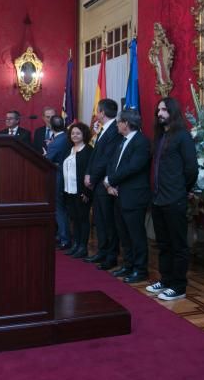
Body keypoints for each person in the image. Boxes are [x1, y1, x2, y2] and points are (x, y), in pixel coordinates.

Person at [144, 97, 198, 300]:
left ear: (173, 112)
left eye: (164, 110)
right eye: (158, 110)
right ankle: (166, 280)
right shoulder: (159, 137)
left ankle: (178, 286)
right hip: (158, 199)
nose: (160, 113)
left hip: (174, 198)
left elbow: (191, 168)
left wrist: (181, 189)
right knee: (163, 244)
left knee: (178, 245)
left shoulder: (182, 136)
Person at [106, 108, 151, 284]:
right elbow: (112, 164)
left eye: (118, 121)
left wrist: (110, 180)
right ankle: (128, 264)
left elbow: (134, 167)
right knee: (123, 233)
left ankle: (140, 269)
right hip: (118, 193)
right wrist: (109, 183)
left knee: (136, 235)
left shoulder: (141, 142)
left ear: (126, 123)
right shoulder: (122, 141)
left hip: (134, 195)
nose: (117, 124)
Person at [84, 99, 123, 270]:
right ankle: (102, 250)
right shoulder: (103, 130)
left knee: (108, 220)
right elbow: (95, 155)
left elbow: (107, 158)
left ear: (102, 113)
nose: (96, 114)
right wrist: (88, 173)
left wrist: (93, 176)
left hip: (106, 181)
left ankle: (111, 255)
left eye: (97, 111)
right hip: (98, 182)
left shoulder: (114, 130)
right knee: (99, 219)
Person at [62, 122, 94, 258]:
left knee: (83, 219)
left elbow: (89, 173)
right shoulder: (69, 149)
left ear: (84, 135)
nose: (74, 135)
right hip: (69, 191)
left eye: (78, 133)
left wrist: (86, 192)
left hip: (82, 191)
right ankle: (76, 244)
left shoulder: (88, 151)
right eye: (73, 133)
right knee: (74, 218)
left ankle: (83, 247)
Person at [45, 115, 71, 249]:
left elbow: (48, 160)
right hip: (66, 176)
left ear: (51, 126)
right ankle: (62, 236)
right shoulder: (66, 137)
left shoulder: (56, 142)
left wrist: (46, 154)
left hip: (58, 177)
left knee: (59, 208)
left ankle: (64, 238)